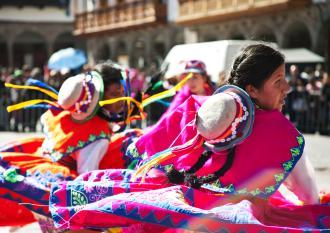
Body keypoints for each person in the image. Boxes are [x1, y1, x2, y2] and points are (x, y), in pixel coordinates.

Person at [49, 44, 330, 232]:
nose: (287, 89)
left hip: (172, 210)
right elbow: (307, 196)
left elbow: (154, 156)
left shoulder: (196, 109)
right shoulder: (281, 136)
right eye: (278, 81)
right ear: (251, 90)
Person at [0, 62, 142, 231]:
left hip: (38, 173)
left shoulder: (66, 114)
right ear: (101, 97)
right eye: (114, 94)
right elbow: (87, 175)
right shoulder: (97, 133)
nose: (121, 98)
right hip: (57, 188)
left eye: (121, 92)